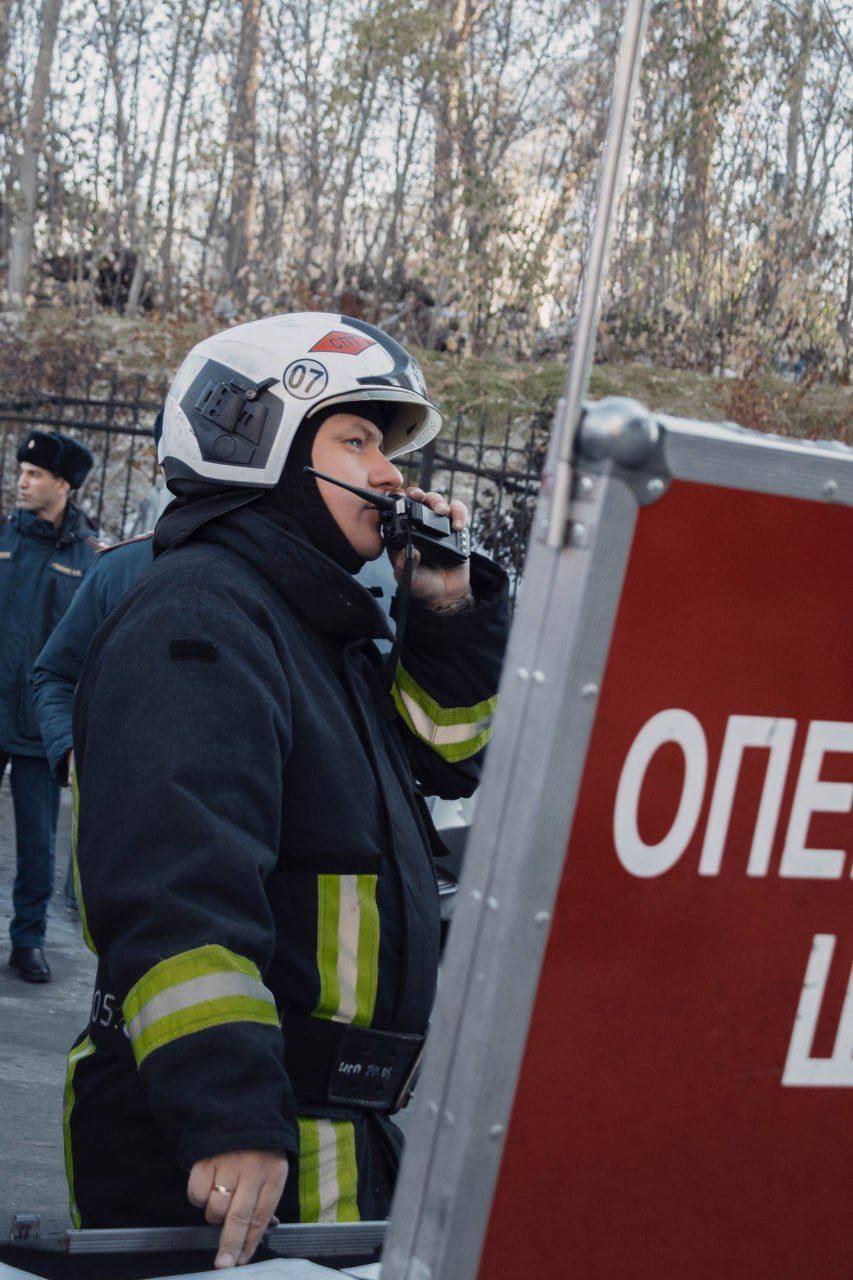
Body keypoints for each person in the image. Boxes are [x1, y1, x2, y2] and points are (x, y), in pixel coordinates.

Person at [66, 312, 509, 1269]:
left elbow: (447, 757)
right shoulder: (201, 621)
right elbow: (174, 889)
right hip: (228, 1137)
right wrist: (227, 1108)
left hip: (323, 1123)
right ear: (254, 439)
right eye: (356, 440)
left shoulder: (311, 621)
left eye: (386, 449)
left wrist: (444, 613)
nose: (391, 474)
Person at [0, 430, 98, 983]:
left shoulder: (88, 560)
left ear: (64, 484)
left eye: (35, 474)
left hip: (39, 728)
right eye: (22, 472)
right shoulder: (3, 540)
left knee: (38, 849)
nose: (22, 480)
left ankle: (28, 941)